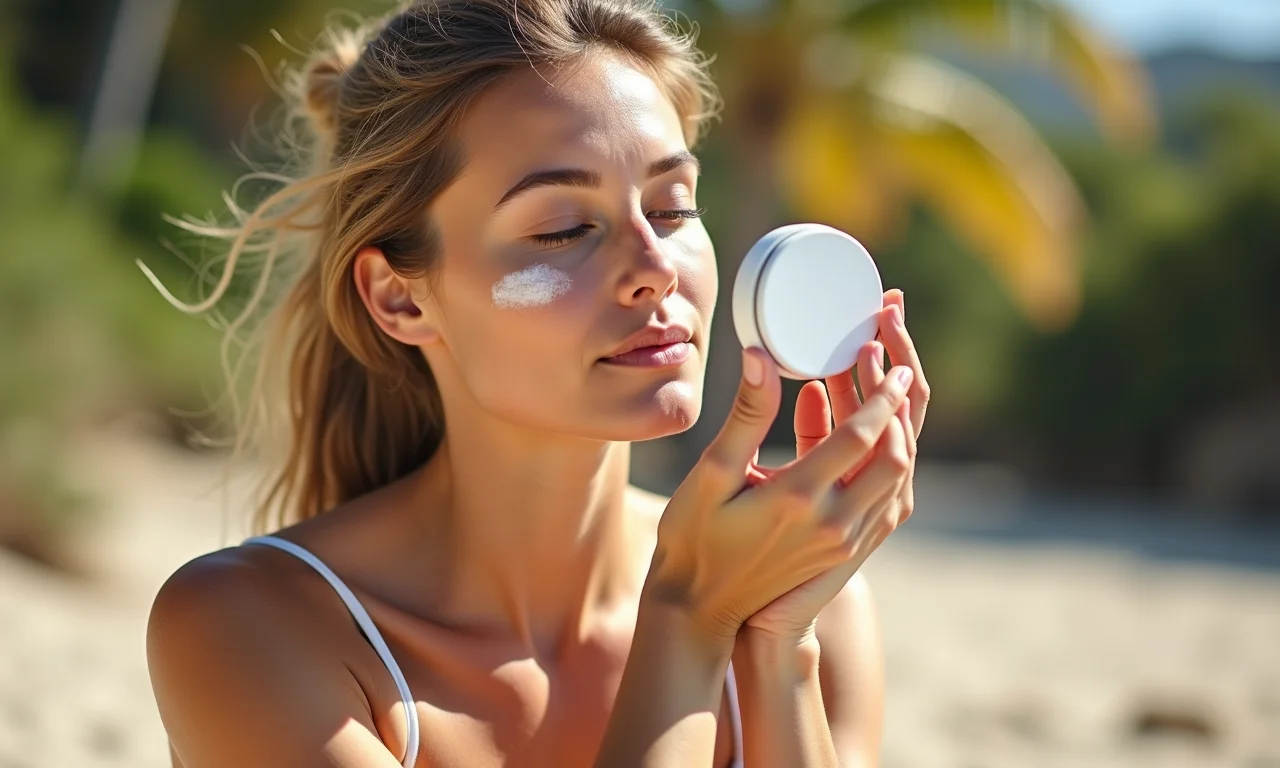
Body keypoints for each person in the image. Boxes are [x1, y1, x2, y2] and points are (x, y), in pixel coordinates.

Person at [143, 1, 930, 766]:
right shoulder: (246, 628)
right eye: (563, 227)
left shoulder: (805, 605)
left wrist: (774, 645)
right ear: (400, 297)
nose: (656, 267)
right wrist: (689, 615)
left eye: (672, 208)